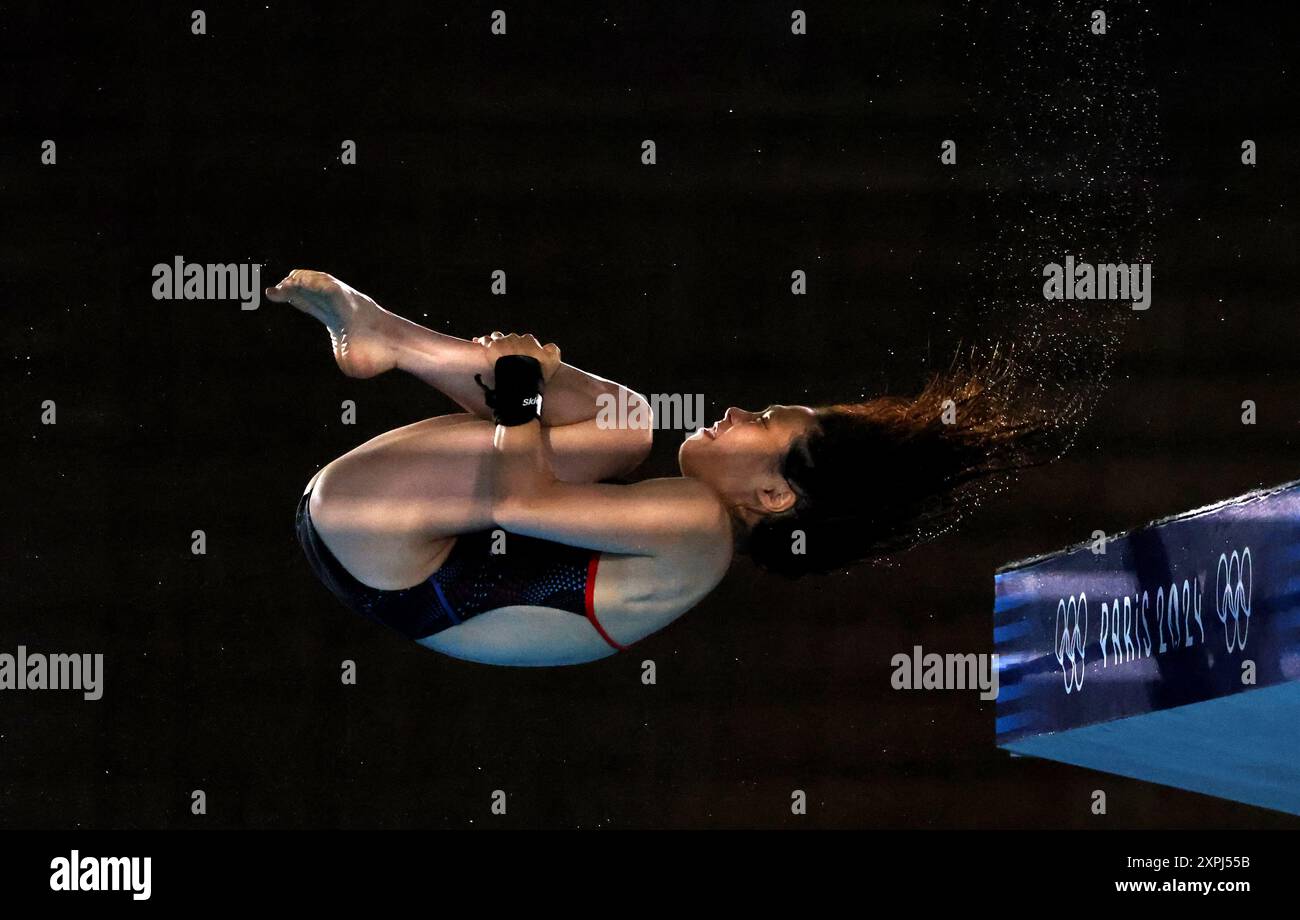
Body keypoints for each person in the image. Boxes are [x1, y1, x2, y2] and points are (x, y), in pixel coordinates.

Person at [275, 270, 1062, 666]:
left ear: (773, 493)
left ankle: (393, 340)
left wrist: (520, 389)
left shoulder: (695, 529)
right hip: (382, 546)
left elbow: (518, 502)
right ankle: (389, 341)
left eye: (762, 422)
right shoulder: (697, 530)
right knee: (625, 427)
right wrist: (520, 384)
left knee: (626, 425)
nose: (736, 413)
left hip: (381, 546)